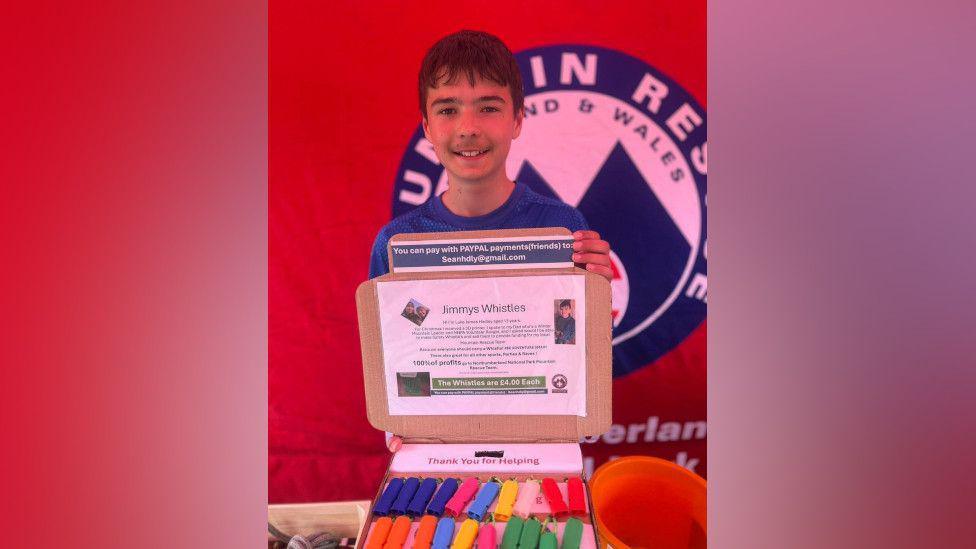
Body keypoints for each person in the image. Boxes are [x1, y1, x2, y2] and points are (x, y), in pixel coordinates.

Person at [368, 30, 612, 281]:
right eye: (448, 110)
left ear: (517, 120)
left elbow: (579, 319)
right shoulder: (396, 246)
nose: (469, 128)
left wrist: (595, 299)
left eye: (488, 108)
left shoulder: (563, 228)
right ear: (427, 127)